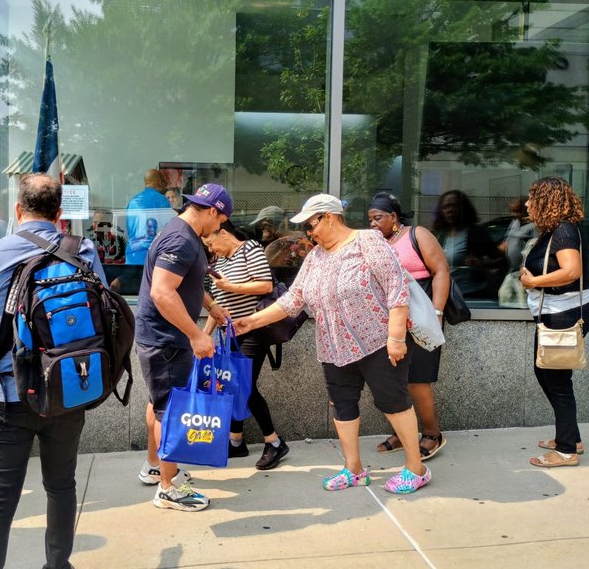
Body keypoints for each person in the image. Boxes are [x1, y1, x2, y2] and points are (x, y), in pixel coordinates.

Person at [0, 173, 106, 569]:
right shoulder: (83, 249)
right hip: (67, 388)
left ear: (18, 210)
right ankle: (58, 565)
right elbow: (103, 312)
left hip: (7, 395)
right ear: (59, 213)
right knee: (61, 486)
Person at [234, 193, 431, 494]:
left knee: (393, 403)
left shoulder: (367, 241)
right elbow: (293, 300)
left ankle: (416, 469)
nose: (308, 232)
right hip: (333, 347)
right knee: (342, 406)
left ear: (329, 217)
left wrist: (395, 338)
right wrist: (252, 321)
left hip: (377, 342)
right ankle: (354, 469)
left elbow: (396, 288)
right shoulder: (315, 257)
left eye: (310, 224)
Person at [136, 183, 232, 511]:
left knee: (159, 403)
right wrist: (195, 334)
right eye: (220, 221)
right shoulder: (181, 239)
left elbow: (184, 282)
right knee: (170, 411)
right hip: (166, 338)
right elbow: (163, 292)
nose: (218, 229)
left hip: (161, 336)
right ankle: (167, 489)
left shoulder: (180, 232)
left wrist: (212, 306)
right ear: (213, 211)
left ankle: (156, 466)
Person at [368, 192, 449, 460]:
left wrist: (436, 312)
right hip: (391, 318)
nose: (372, 224)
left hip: (421, 313)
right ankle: (404, 432)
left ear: (393, 217)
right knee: (393, 379)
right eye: (369, 220)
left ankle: (432, 433)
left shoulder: (417, 234)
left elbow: (441, 270)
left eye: (377, 218)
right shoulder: (376, 243)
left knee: (417, 379)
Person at [202, 220, 290, 470]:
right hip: (230, 333)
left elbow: (265, 284)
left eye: (211, 243)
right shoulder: (220, 262)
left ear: (223, 233)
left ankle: (274, 442)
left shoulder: (249, 248)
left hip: (254, 330)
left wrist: (230, 286)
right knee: (233, 385)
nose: (211, 249)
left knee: (244, 386)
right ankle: (236, 441)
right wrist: (205, 335)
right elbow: (218, 306)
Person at [520, 177, 588, 468]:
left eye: (532, 198)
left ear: (547, 201)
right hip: (555, 312)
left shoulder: (564, 231)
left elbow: (572, 271)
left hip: (563, 313)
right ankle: (571, 437)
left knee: (556, 380)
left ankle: (566, 451)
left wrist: (534, 282)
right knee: (546, 372)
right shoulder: (556, 230)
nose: (527, 204)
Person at [432, 190, 507, 300]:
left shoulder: (476, 234)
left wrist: (482, 264)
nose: (450, 210)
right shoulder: (439, 235)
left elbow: (501, 261)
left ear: (463, 208)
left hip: (472, 295)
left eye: (454, 206)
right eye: (445, 207)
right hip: (445, 294)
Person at [125, 168, 174, 265]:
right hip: (152, 256)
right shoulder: (162, 200)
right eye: (165, 183)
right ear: (159, 182)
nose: (166, 186)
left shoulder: (132, 201)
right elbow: (168, 231)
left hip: (131, 256)